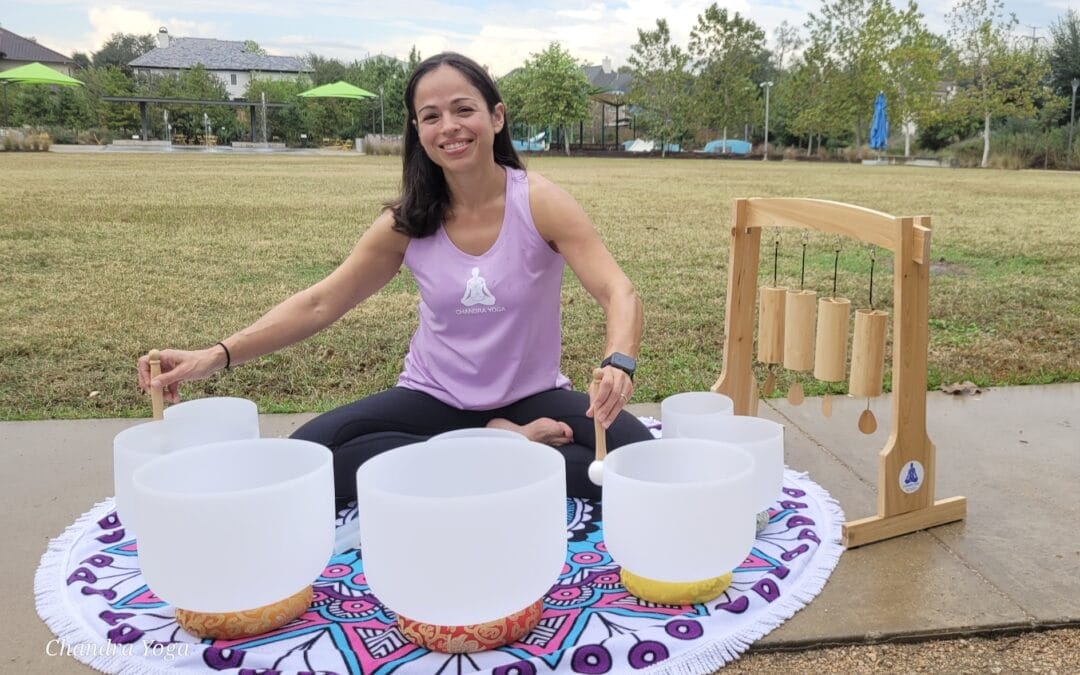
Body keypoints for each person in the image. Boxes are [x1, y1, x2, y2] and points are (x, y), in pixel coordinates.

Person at [138, 52, 651, 500]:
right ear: (417, 130)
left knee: (637, 459)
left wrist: (618, 363)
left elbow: (616, 290)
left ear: (496, 117)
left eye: (464, 109)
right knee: (312, 456)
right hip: (432, 395)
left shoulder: (540, 202)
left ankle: (461, 457)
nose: (448, 126)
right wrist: (216, 355)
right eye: (431, 116)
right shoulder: (408, 222)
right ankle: (503, 448)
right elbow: (321, 302)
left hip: (531, 393)